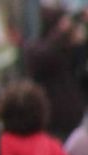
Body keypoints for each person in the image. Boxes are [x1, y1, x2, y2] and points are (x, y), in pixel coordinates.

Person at [24, 6, 88, 141]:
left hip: (74, 117)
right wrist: (62, 31)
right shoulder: (36, 49)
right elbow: (45, 54)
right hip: (54, 119)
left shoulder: (66, 48)